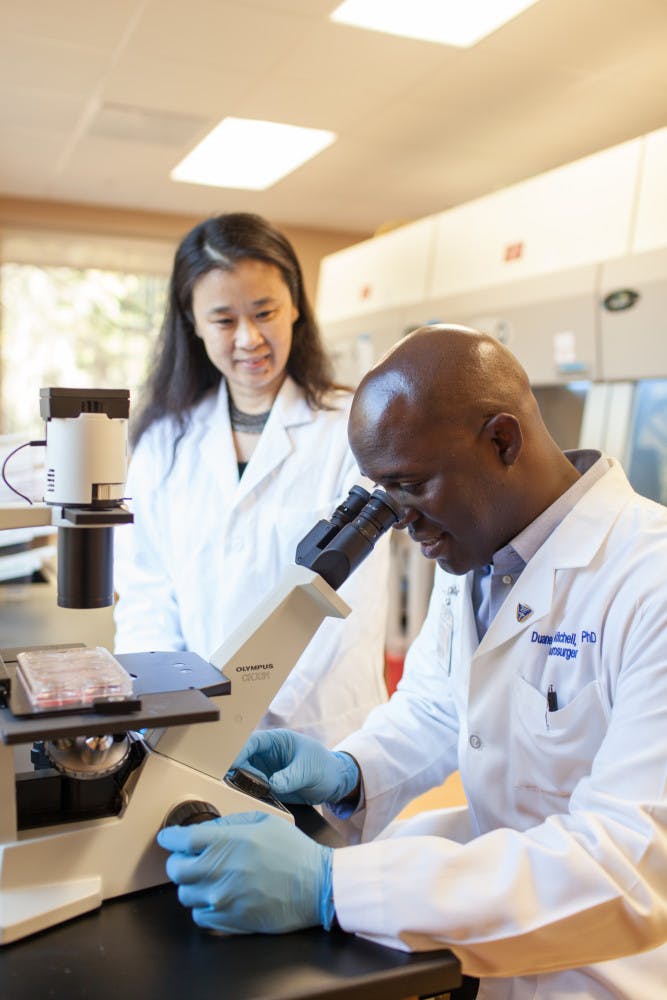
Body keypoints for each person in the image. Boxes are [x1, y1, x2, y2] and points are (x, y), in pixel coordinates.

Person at [157, 325, 667, 1000]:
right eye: (382, 492)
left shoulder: (647, 581)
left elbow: (628, 867)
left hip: (605, 976)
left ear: (502, 441)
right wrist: (348, 772)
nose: (400, 521)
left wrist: (332, 886)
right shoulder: (477, 549)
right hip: (479, 954)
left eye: (410, 485)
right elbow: (438, 703)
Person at [113, 212, 390, 746]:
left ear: (294, 307)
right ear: (191, 322)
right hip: (185, 723)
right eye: (223, 320)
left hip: (317, 726)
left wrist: (248, 704)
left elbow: (348, 596)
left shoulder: (350, 427)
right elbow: (148, 590)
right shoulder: (163, 441)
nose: (249, 338)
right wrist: (166, 698)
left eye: (264, 312)